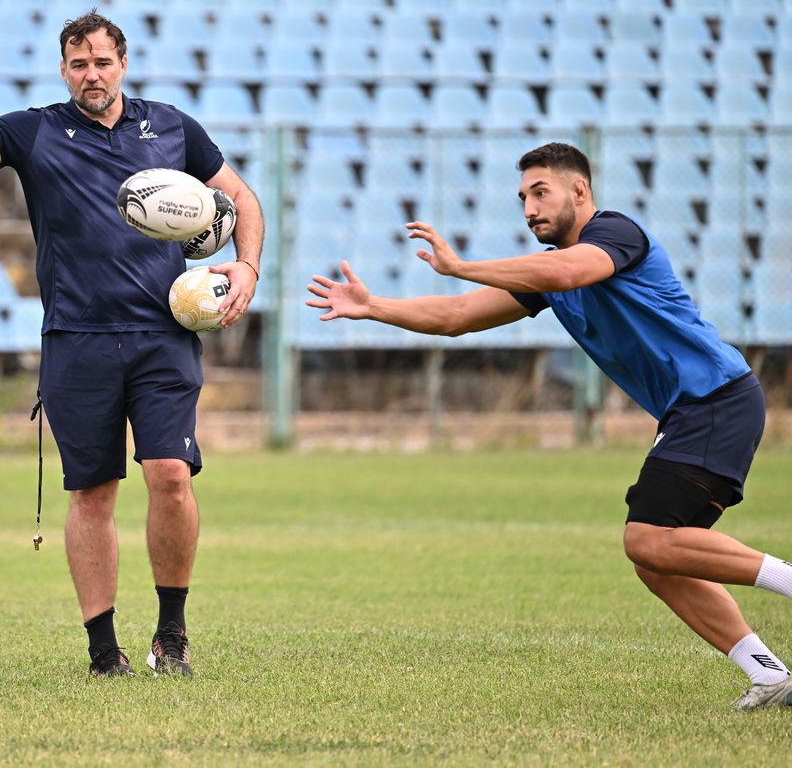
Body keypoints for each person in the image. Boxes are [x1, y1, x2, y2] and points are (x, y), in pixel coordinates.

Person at [306, 141, 792, 710]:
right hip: (695, 409)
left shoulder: (615, 234)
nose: (530, 208)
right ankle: (769, 675)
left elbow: (569, 271)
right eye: (522, 198)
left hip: (715, 398)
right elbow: (458, 316)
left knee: (647, 539)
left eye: (541, 192)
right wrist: (375, 307)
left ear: (579, 191)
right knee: (655, 560)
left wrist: (462, 266)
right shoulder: (548, 273)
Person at [0, 11, 263, 677]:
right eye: (78, 64)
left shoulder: (172, 128)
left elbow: (238, 196)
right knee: (92, 492)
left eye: (102, 62)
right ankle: (103, 652)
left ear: (123, 64)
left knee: (170, 475)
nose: (92, 74)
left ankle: (171, 637)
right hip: (77, 337)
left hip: (163, 335)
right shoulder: (35, 131)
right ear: (63, 71)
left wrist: (247, 266)